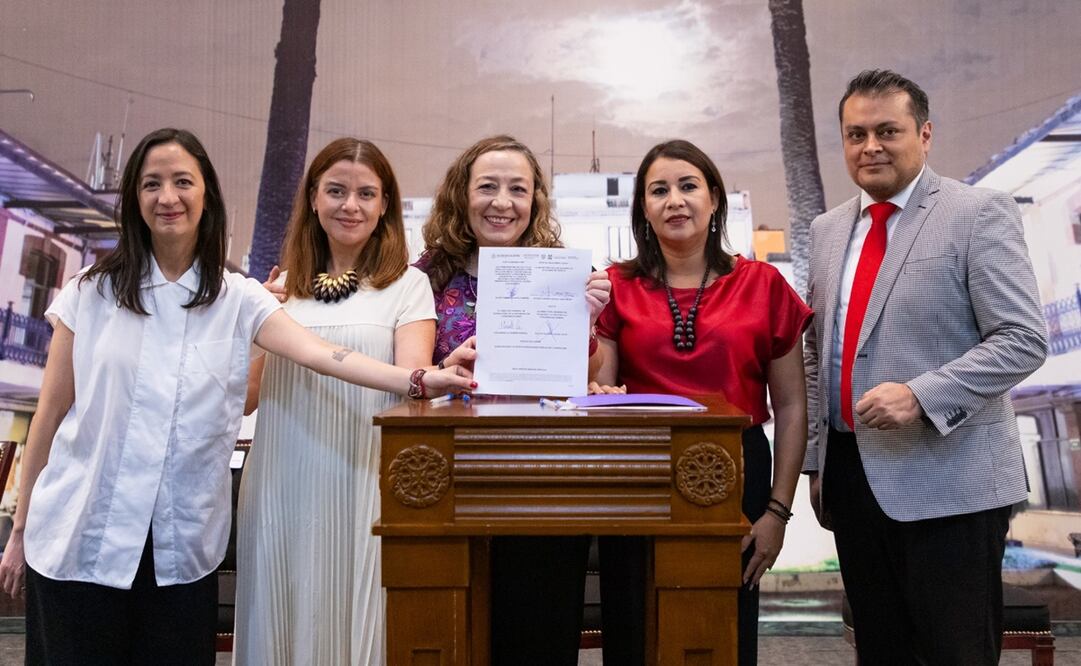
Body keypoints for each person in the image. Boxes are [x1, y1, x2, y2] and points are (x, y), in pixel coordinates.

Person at [0, 128, 473, 665]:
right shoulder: (90, 290)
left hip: (180, 552)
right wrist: (19, 530)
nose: (168, 197)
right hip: (78, 538)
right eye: (152, 184)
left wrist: (420, 379)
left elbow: (322, 354)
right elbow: (49, 416)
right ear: (134, 197)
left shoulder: (238, 298)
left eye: (183, 182)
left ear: (207, 195)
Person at [803, 70, 1048, 664]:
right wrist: (817, 461)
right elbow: (817, 353)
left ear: (925, 134)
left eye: (888, 131)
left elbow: (1022, 339)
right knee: (881, 653)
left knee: (954, 655)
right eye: (856, 134)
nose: (871, 146)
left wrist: (921, 394)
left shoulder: (977, 212)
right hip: (853, 484)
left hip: (952, 486)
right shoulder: (827, 231)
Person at [589, 139, 810, 665]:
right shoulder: (615, 285)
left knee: (719, 632)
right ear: (644, 208)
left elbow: (792, 407)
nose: (675, 200)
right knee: (635, 628)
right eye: (658, 190)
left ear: (713, 198)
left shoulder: (763, 284)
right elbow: (600, 390)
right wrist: (594, 374)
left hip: (735, 471)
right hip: (636, 473)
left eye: (688, 186)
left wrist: (777, 512)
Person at [233, 138, 444, 664]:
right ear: (313, 198)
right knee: (280, 619)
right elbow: (247, 399)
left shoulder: (409, 286)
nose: (351, 205)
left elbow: (412, 392)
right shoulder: (279, 290)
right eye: (336, 191)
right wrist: (244, 331)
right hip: (281, 480)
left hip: (365, 480)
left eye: (366, 193)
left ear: (385, 205)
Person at [415, 135, 611, 665]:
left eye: (518, 189)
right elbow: (406, 374)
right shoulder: (427, 275)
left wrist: (586, 320)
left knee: (542, 628)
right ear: (462, 195)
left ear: (535, 201)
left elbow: (584, 379)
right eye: (487, 187)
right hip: (450, 475)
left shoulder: (561, 271)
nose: (502, 202)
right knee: (455, 631)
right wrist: (445, 369)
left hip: (543, 472)